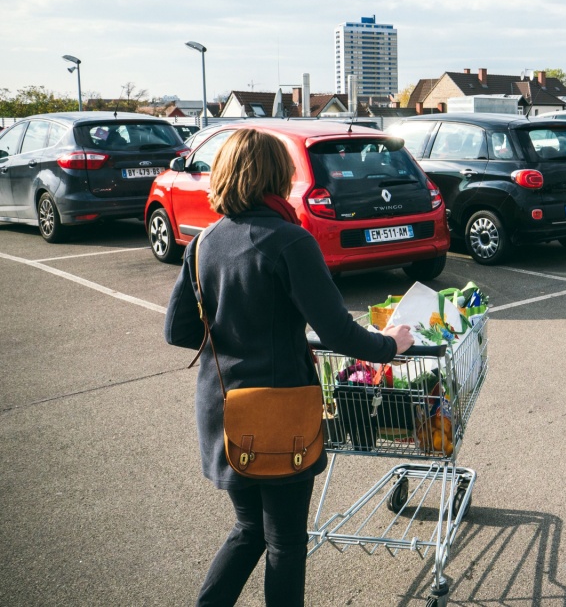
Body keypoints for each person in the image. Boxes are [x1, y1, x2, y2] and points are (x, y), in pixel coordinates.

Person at [164, 127, 413, 606]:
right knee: (284, 541)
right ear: (277, 176)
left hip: (224, 409)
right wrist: (390, 345)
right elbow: (337, 330)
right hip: (280, 413)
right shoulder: (288, 241)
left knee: (249, 527)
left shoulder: (203, 242)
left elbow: (178, 331)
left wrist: (236, 334)